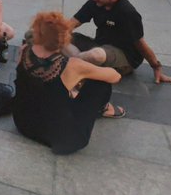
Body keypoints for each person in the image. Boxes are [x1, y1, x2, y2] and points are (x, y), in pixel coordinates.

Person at [14, 12, 124, 155]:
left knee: (51, 86)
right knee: (100, 84)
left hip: (23, 124)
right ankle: (104, 108)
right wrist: (87, 71)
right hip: (63, 139)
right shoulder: (72, 65)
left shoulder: (24, 50)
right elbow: (115, 77)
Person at [65, 0, 171, 84]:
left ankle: (73, 65)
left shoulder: (127, 12)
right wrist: (59, 34)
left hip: (124, 56)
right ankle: (81, 65)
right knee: (60, 37)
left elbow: (140, 43)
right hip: (100, 45)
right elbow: (72, 23)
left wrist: (156, 66)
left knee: (95, 55)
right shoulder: (95, 2)